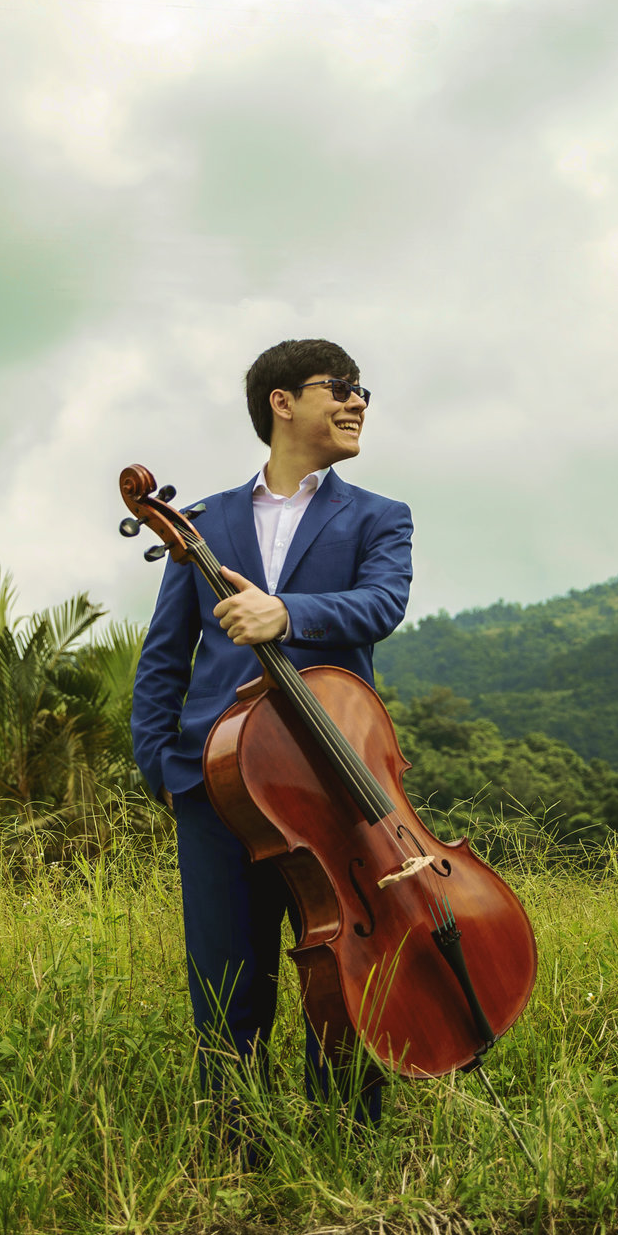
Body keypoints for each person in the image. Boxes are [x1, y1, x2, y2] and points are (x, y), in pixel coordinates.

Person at [130, 338, 413, 1129]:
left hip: (331, 785)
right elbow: (164, 656)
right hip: (214, 785)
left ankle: (345, 1152)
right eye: (342, 387)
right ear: (281, 402)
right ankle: (234, 1161)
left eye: (364, 390)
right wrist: (162, 766)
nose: (359, 401)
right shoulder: (203, 522)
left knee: (347, 971)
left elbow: (382, 604)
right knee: (225, 993)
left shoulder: (380, 516)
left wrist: (288, 612)